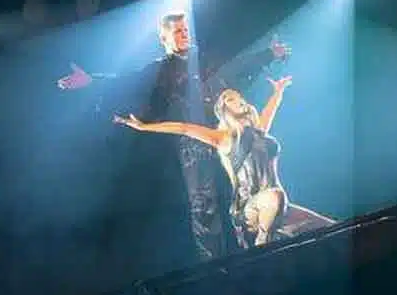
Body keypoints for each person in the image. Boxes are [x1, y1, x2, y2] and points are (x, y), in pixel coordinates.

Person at [56, 12, 289, 259]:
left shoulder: (205, 59)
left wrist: (269, 54)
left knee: (244, 193)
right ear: (164, 38)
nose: (184, 34)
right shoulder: (160, 69)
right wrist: (91, 80)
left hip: (225, 137)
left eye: (185, 30)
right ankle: (216, 265)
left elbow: (238, 64)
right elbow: (126, 82)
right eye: (178, 31)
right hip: (193, 144)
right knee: (205, 208)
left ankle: (258, 251)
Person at [113, 75, 292, 248]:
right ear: (224, 110)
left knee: (309, 226)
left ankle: (272, 238)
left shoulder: (259, 132)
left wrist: (278, 91)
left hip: (276, 204)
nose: (238, 100)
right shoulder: (225, 138)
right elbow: (184, 128)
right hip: (249, 209)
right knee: (275, 197)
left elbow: (269, 110)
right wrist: (144, 127)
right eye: (230, 99)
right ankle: (262, 247)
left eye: (239, 97)